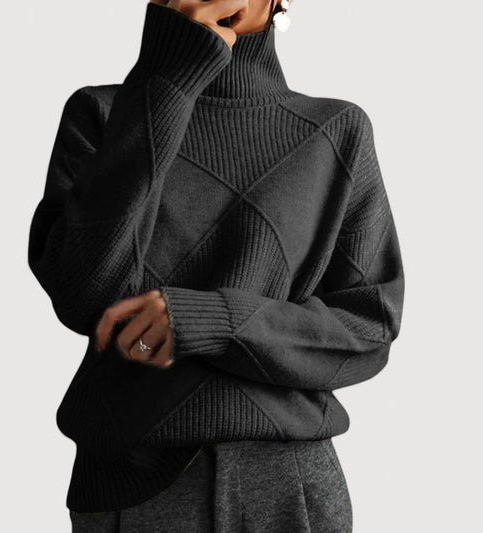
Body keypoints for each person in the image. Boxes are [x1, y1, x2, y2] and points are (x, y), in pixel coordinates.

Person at [27, 0, 405, 531]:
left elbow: (369, 328)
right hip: (131, 485)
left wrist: (214, 321)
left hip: (287, 482)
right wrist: (168, 76)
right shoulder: (102, 114)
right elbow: (81, 294)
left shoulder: (337, 130)